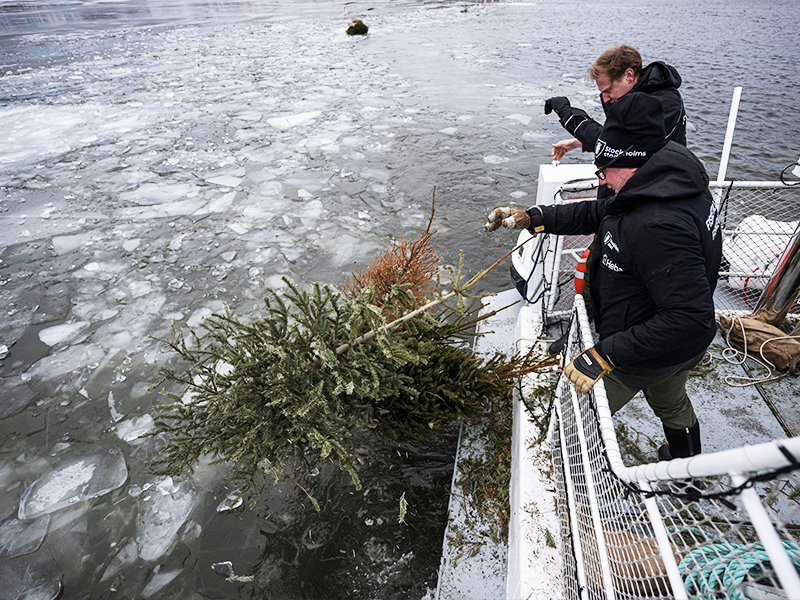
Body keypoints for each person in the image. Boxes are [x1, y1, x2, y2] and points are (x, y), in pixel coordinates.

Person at [484, 92, 722, 461]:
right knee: (672, 403)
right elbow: (599, 213)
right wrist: (532, 217)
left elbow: (691, 318)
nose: (601, 178)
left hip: (639, 352)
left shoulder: (658, 225)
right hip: (674, 349)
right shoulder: (663, 183)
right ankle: (686, 469)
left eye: (605, 169)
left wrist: (604, 355)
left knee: (576, 414)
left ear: (633, 165)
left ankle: (567, 470)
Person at [545, 45, 687, 161]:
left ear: (629, 76)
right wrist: (579, 143)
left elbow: (618, 147)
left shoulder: (663, 103)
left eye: (608, 90)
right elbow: (619, 137)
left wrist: (567, 114)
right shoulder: (624, 97)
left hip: (663, 183)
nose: (605, 98)